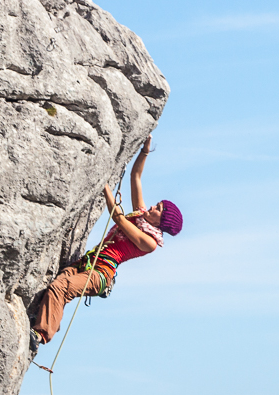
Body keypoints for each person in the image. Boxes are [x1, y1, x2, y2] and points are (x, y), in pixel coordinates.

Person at [30, 136, 182, 351]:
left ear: (161, 222)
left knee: (61, 287)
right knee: (57, 286)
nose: (152, 207)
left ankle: (41, 334)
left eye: (157, 209)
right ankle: (44, 326)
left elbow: (118, 218)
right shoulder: (140, 215)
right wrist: (145, 151)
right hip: (87, 263)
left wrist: (104, 184)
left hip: (101, 273)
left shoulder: (150, 242)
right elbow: (135, 177)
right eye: (157, 205)